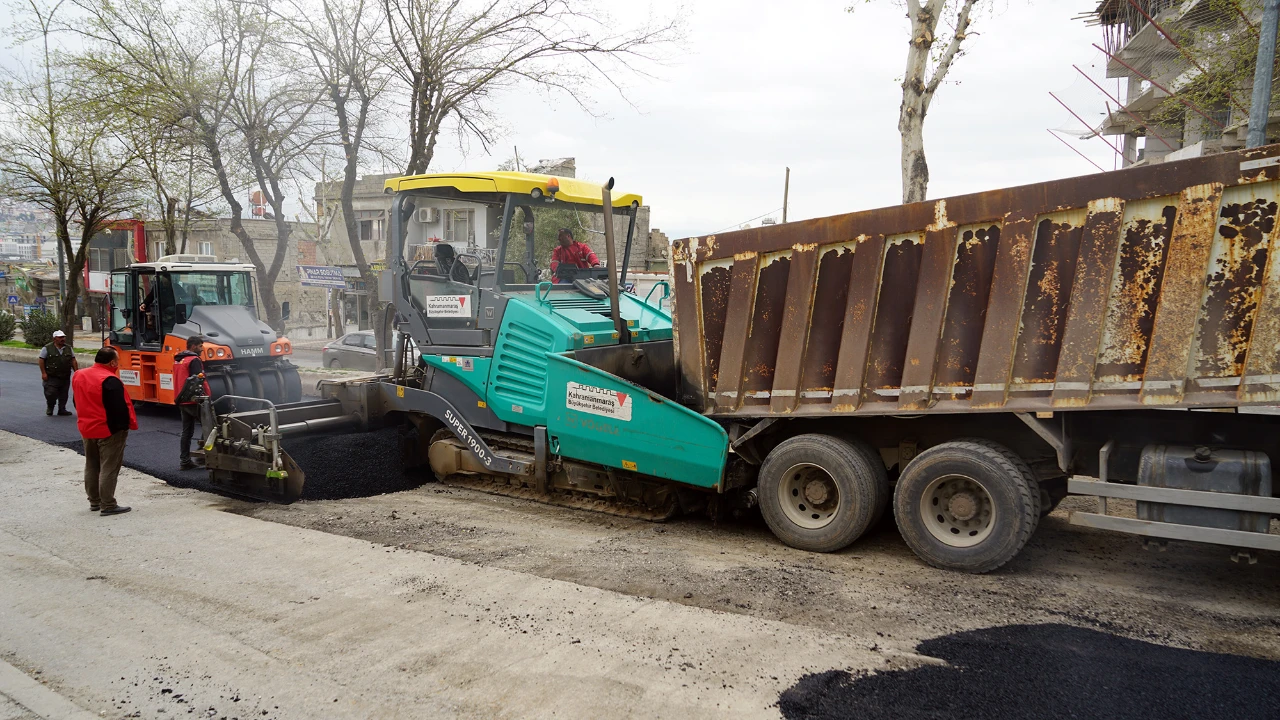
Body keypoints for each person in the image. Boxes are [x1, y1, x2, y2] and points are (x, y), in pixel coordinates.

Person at [72, 347, 137, 516]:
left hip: (86, 427)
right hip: (107, 430)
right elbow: (119, 408)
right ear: (112, 362)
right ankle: (108, 504)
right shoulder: (109, 379)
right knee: (109, 467)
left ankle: (94, 501)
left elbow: (76, 400)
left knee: (92, 464)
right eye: (117, 361)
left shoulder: (79, 374)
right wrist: (123, 428)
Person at [173, 335, 210, 470]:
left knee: (187, 431)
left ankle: (185, 461)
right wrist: (205, 397)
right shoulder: (194, 360)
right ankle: (203, 456)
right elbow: (198, 381)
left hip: (182, 399)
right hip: (194, 400)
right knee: (210, 427)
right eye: (200, 346)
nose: (202, 349)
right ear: (193, 346)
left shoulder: (179, 360)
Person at [39, 329, 79, 416]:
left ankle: (62, 409)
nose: (62, 339)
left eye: (63, 337)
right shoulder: (47, 348)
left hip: (65, 375)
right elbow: (41, 360)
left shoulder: (68, 348)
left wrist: (77, 372)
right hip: (52, 376)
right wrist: (43, 373)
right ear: (54, 339)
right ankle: (50, 407)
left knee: (64, 393)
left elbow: (73, 360)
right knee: (51, 393)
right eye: (60, 337)